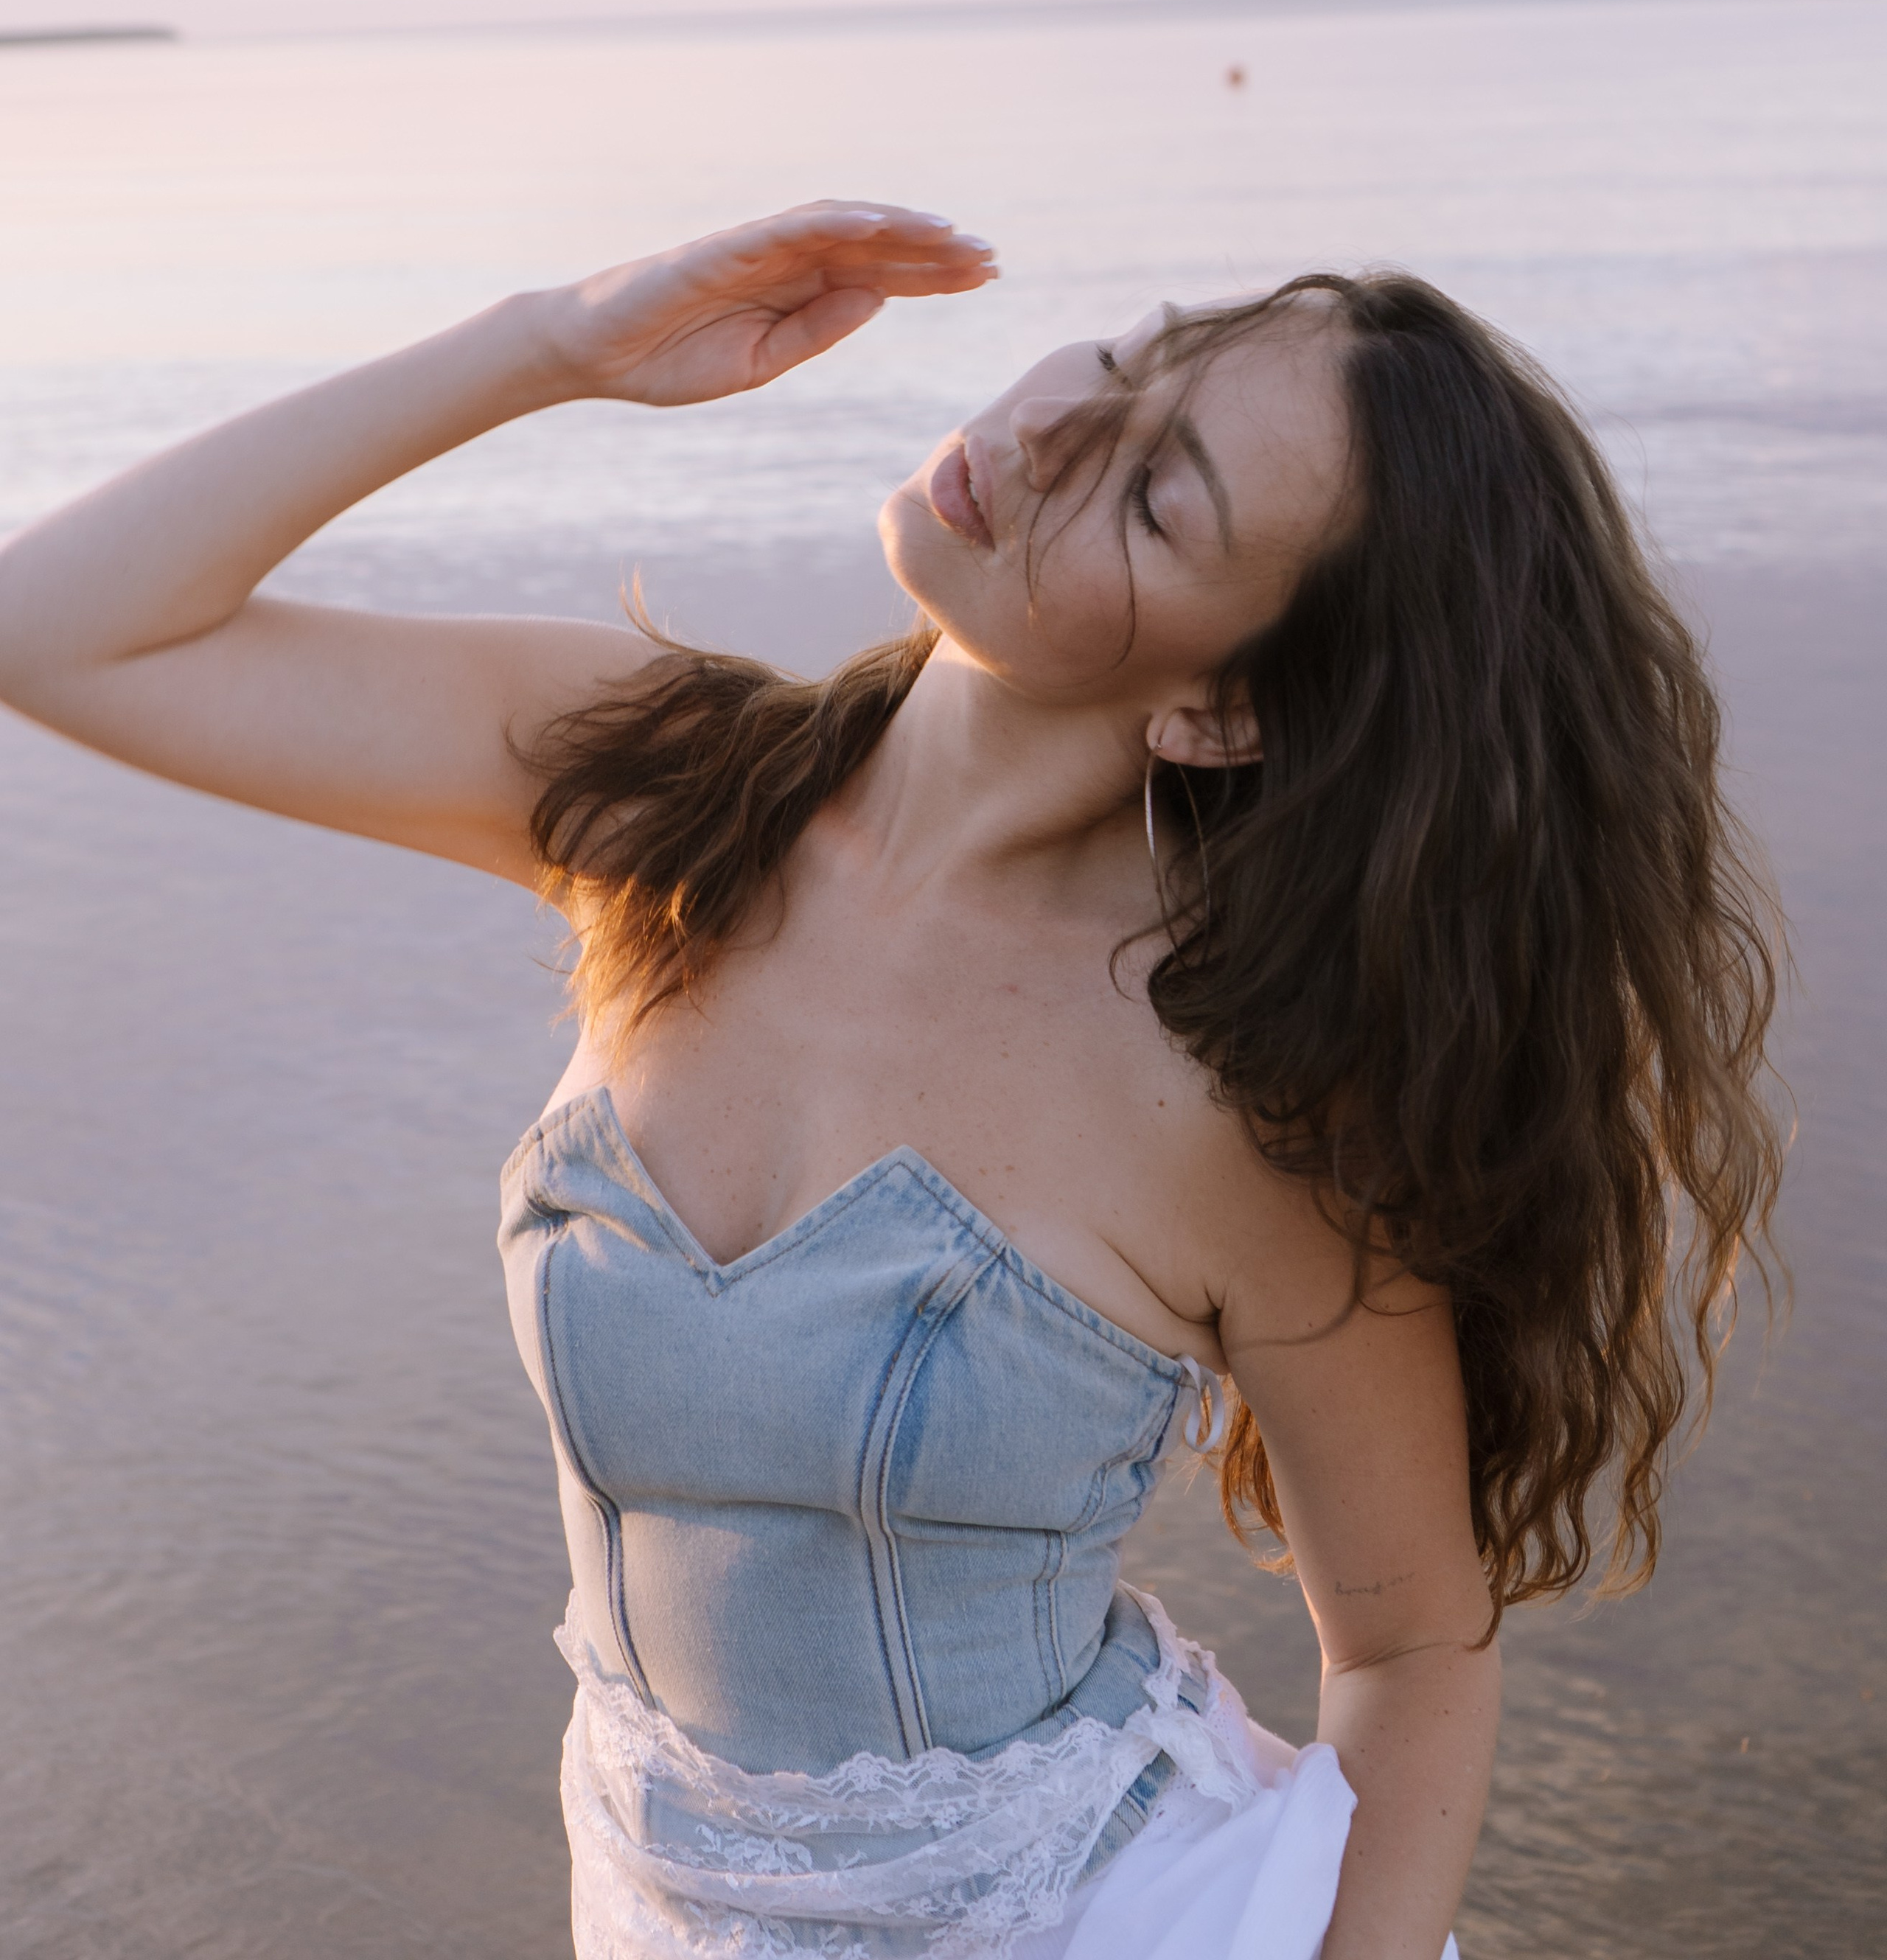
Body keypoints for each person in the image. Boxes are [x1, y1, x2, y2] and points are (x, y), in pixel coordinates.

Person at [0, 200, 1783, 1960]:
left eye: (1156, 493)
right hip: (647, 1894)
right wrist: (550, 346)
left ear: (1220, 713)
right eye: (1124, 356)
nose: (1047, 433)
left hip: (1096, 1919)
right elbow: (56, 626)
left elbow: (1406, 1649)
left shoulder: (1240, 1090)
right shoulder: (664, 807)